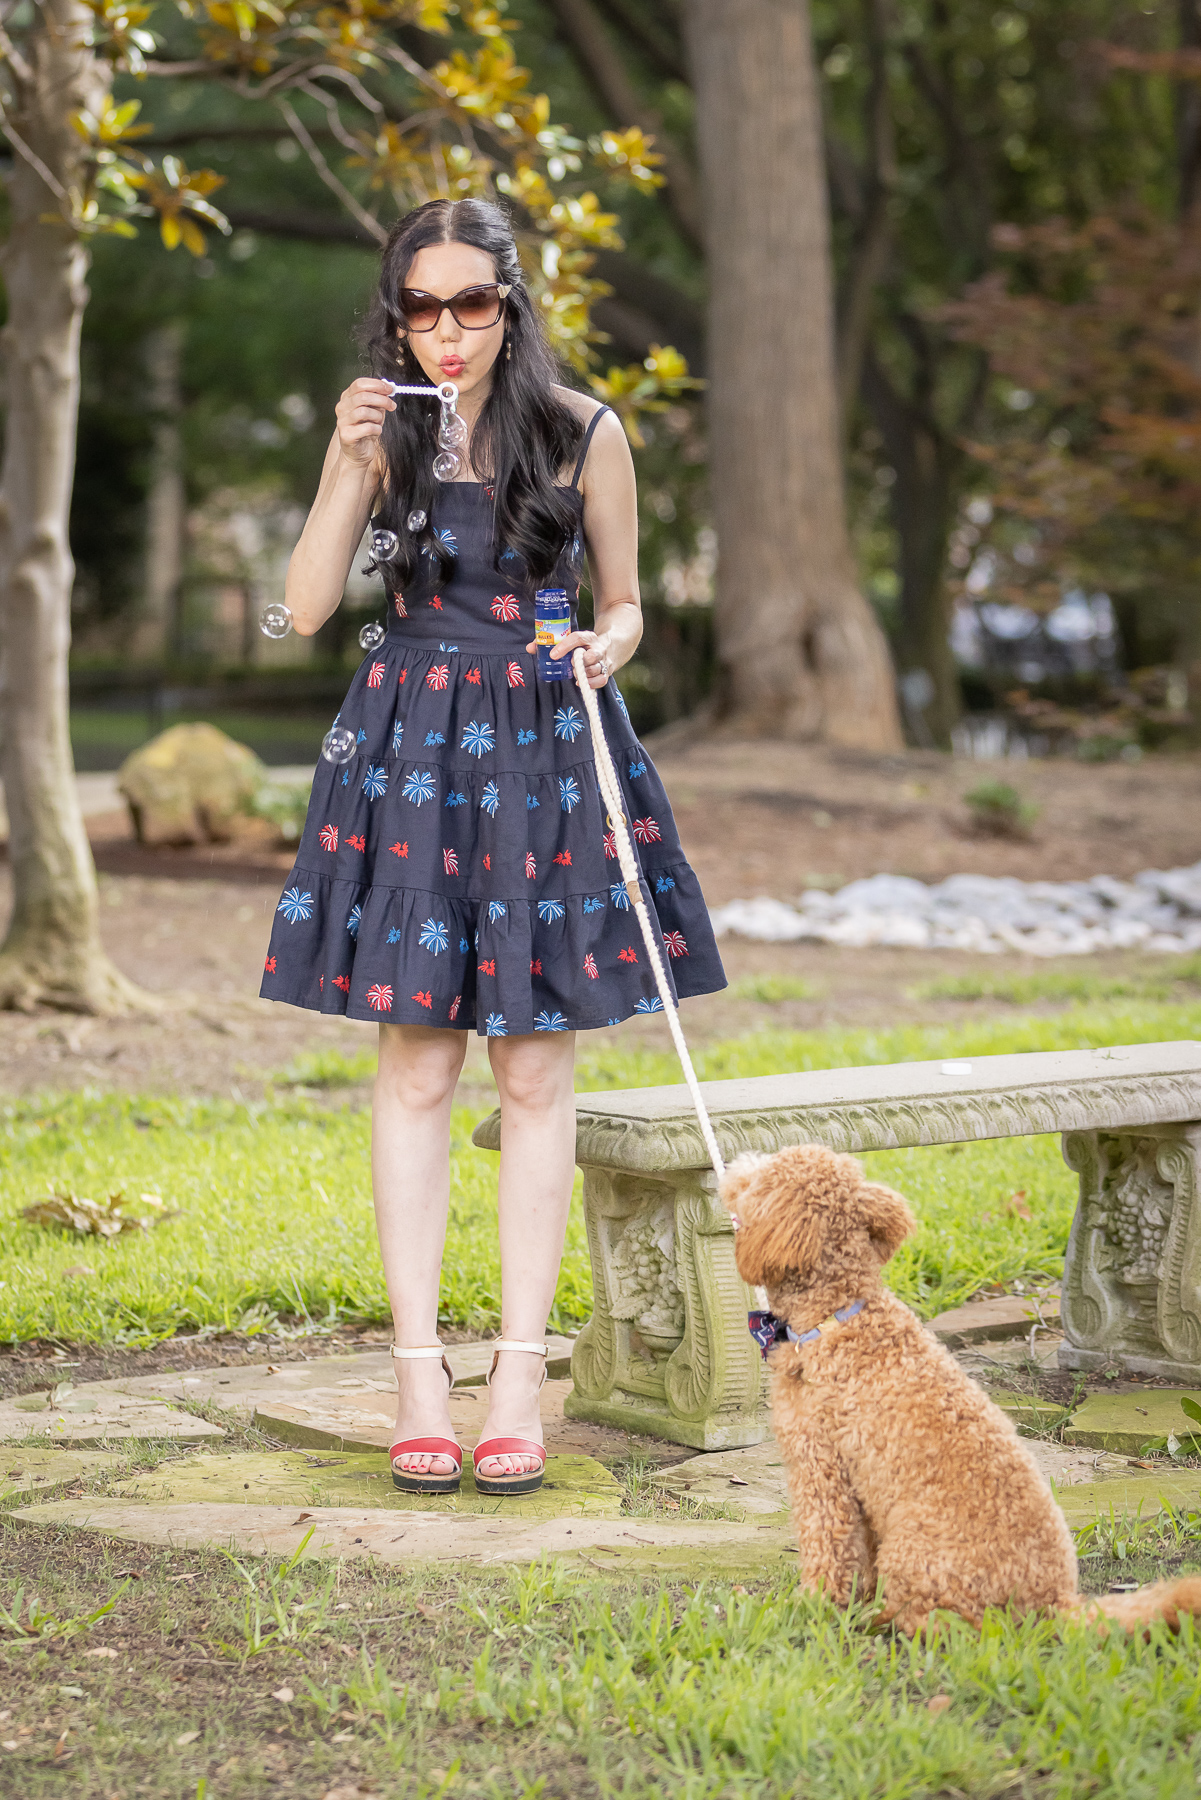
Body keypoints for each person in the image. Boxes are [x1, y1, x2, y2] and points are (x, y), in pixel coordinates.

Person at [260, 196, 726, 1497]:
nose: (446, 330)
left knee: (531, 1074)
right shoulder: (382, 435)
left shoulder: (583, 431)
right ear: (394, 312)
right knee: (416, 1068)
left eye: (471, 302)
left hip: (539, 746)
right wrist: (343, 467)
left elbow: (625, 605)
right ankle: (420, 1372)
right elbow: (297, 613)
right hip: (406, 749)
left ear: (508, 305)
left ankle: (519, 1369)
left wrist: (605, 642)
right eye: (420, 305)